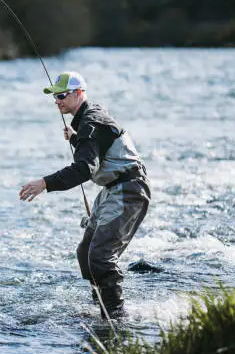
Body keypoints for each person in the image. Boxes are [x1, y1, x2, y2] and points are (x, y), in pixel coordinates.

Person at [19, 71, 151, 319]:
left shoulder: (90, 123)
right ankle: (101, 301)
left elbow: (84, 169)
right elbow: (98, 146)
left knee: (100, 256)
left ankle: (115, 318)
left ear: (79, 93)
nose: (56, 101)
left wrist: (44, 184)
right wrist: (77, 139)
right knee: (85, 253)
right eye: (54, 96)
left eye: (61, 95)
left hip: (130, 189)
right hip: (114, 187)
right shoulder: (90, 119)